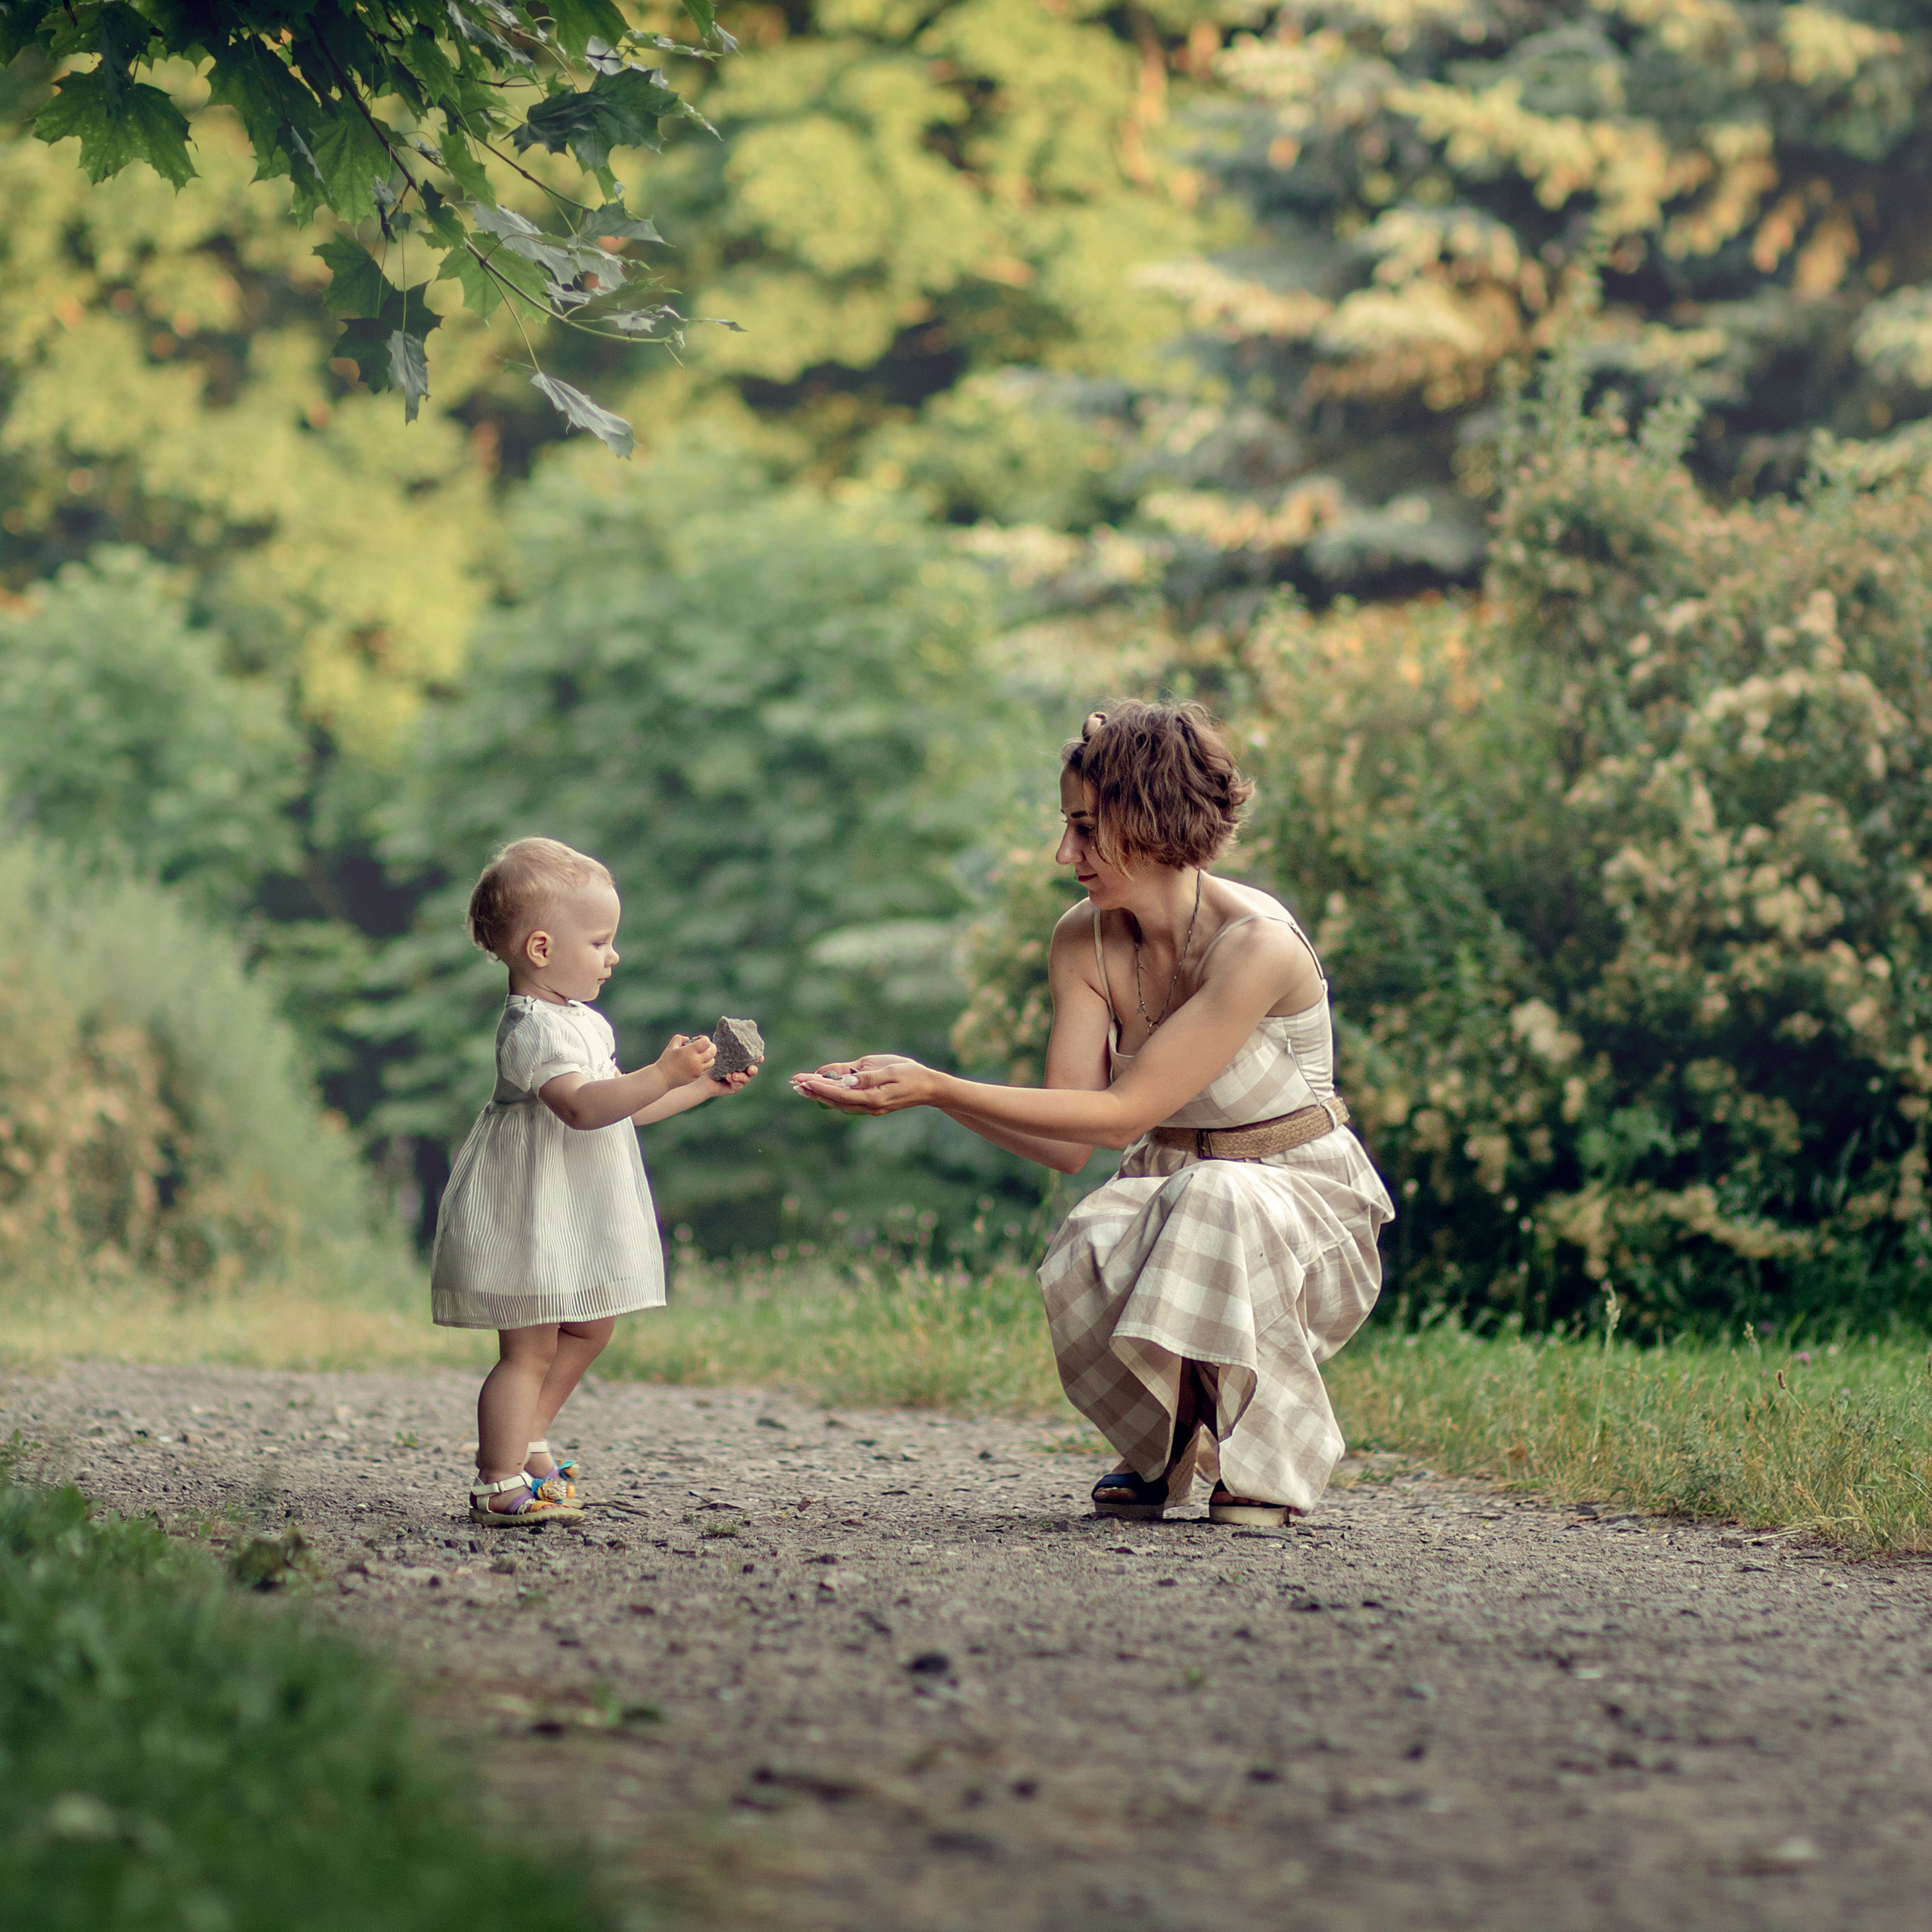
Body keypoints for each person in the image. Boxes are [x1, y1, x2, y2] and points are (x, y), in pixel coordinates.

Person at [792, 703, 1393, 1527]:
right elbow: (1067, 1144)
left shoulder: (1256, 943)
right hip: (1170, 1185)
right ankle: (1167, 1445)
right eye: (1065, 827)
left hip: (1303, 1209)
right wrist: (915, 1096)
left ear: (1150, 820)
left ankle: (1266, 1468)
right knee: (1088, 1238)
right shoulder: (1082, 938)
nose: (1062, 853)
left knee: (1214, 1197)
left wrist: (936, 1084)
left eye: (1084, 828)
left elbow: (1120, 1114)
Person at [431, 837, 756, 1526]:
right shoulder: (530, 1028)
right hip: (532, 1208)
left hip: (572, 1208)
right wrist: (662, 1071)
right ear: (542, 950)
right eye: (602, 941)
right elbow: (581, 1108)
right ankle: (497, 1479)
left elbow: (619, 1110)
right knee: (529, 1346)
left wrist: (697, 1088)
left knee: (591, 1325)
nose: (615, 956)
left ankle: (529, 1438)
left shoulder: (580, 1020)